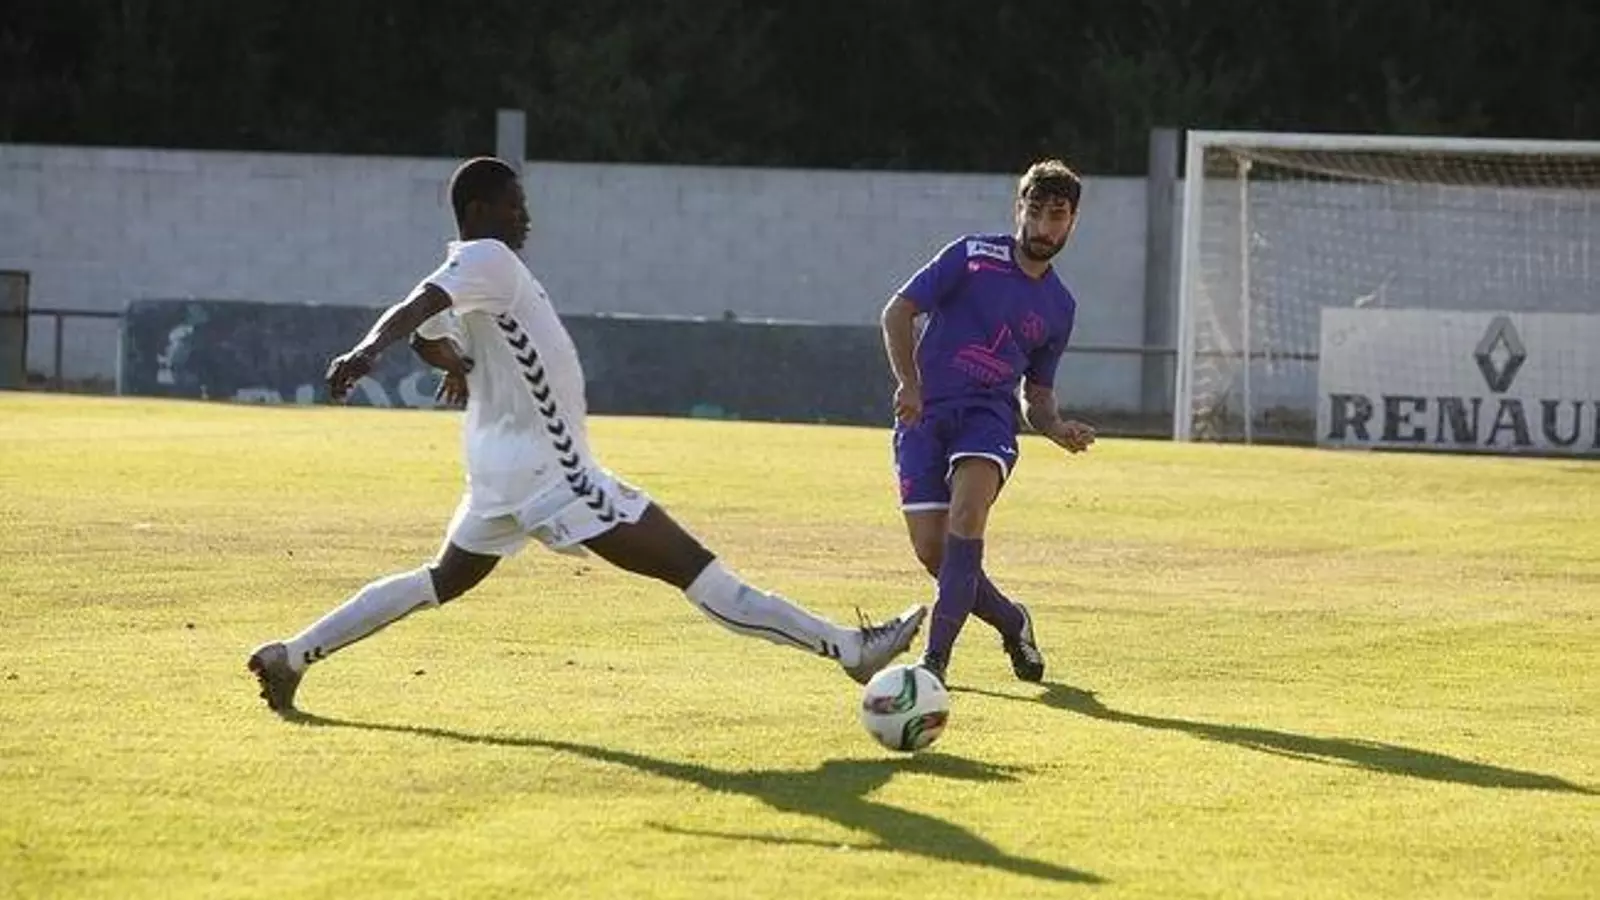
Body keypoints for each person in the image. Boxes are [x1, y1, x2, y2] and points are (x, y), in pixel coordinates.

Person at [247, 157, 925, 713]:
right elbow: (416, 309)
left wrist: (455, 364)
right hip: (555, 475)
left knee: (439, 579)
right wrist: (367, 351)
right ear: (480, 210)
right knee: (696, 569)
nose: (525, 217)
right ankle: (849, 650)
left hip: (500, 478)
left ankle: (292, 656)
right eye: (514, 205)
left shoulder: (470, 270)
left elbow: (428, 333)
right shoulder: (488, 259)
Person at [879, 158, 1096, 687]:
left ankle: (934, 662)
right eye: (1035, 211)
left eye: (1057, 215)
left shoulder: (1060, 307)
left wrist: (1055, 426)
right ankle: (1013, 621)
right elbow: (897, 311)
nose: (1044, 226)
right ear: (1018, 208)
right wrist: (909, 383)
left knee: (967, 513)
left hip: (988, 420)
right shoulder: (972, 256)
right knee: (935, 553)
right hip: (924, 417)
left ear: (1073, 221)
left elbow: (1036, 395)